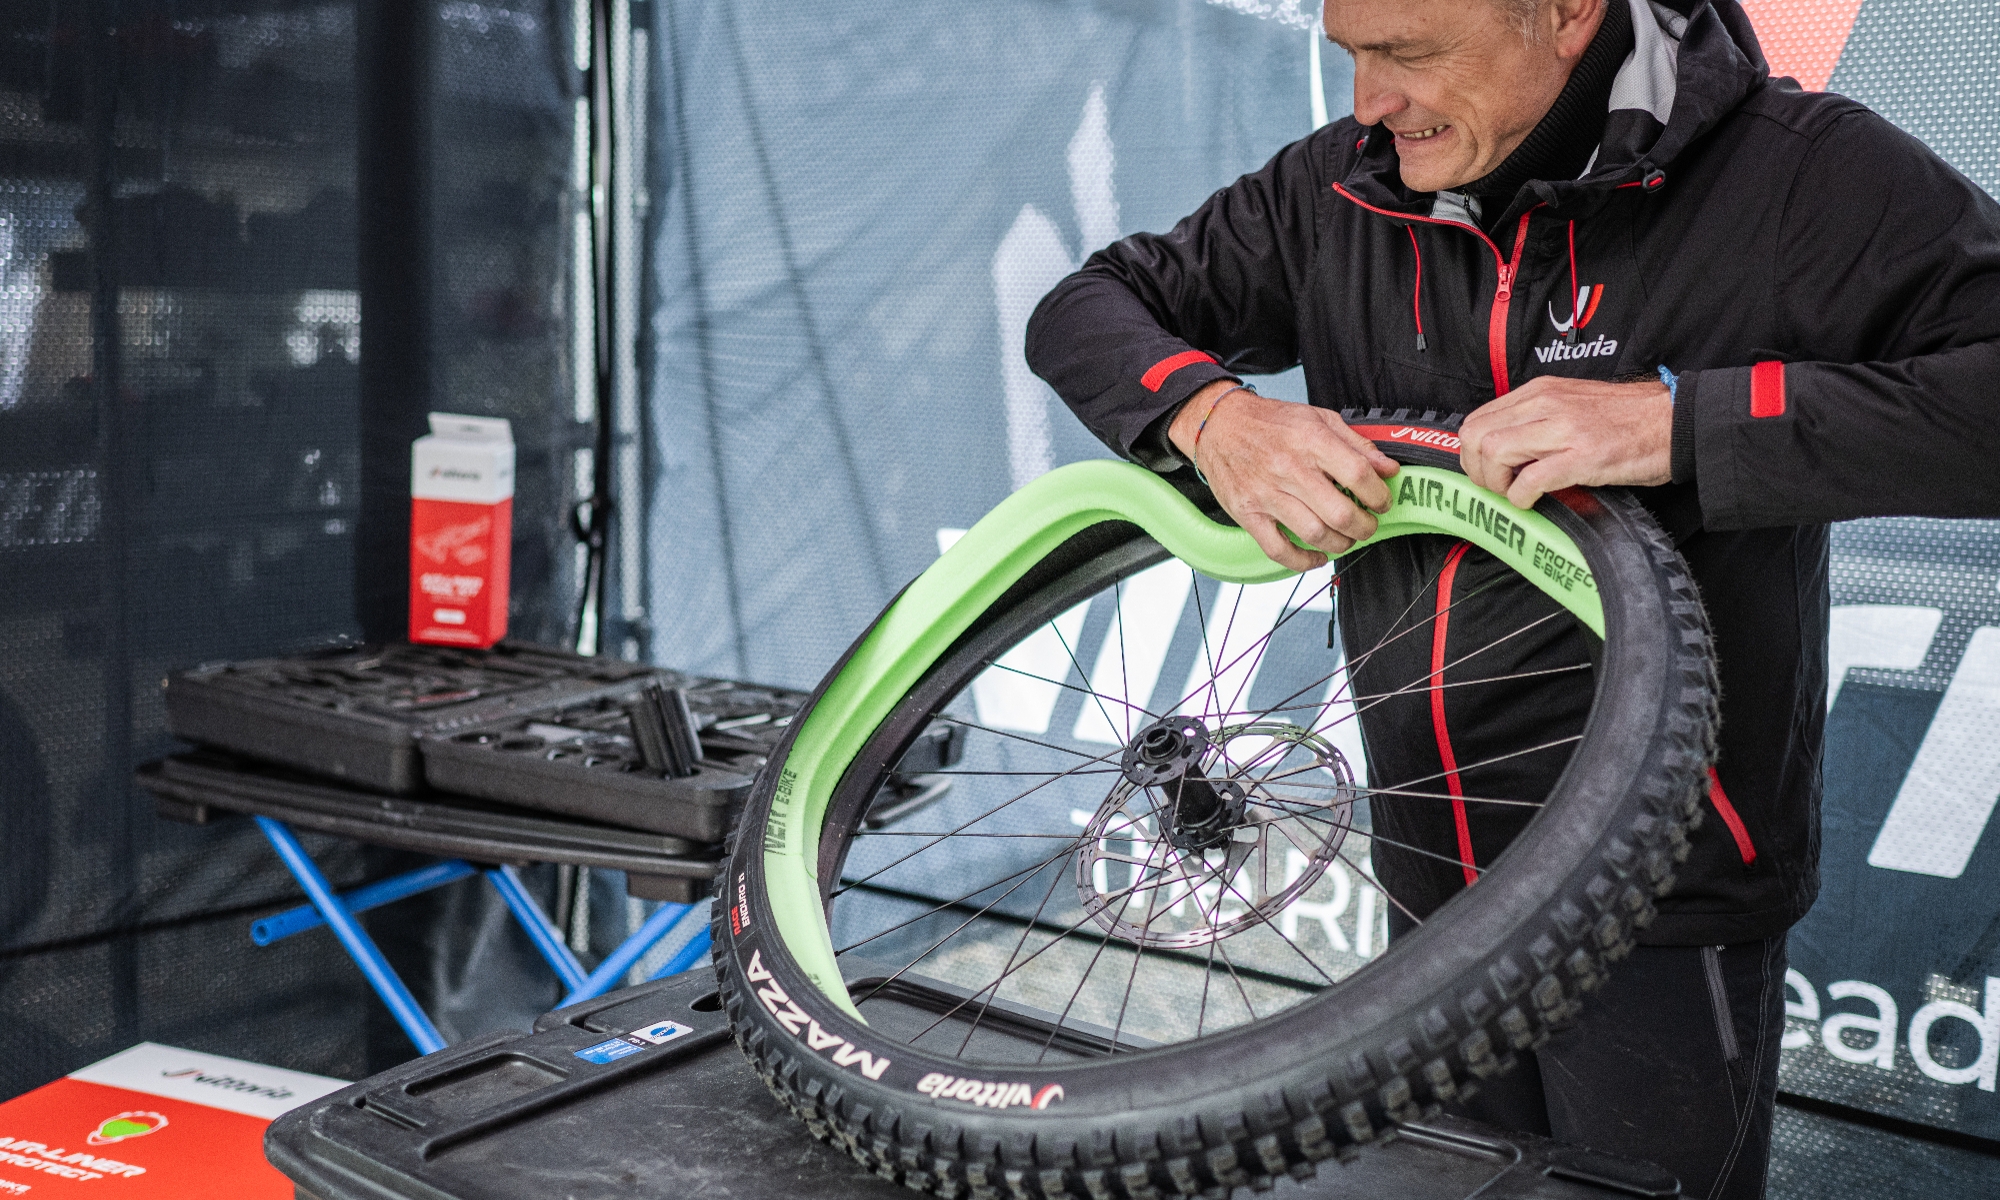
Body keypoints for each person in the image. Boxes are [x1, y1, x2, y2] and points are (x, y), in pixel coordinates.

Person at [1025, 0, 2000, 1196]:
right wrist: (1213, 416)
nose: (1367, 103)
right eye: (1352, 54)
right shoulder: (1340, 186)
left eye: (1408, 53)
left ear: (1561, 14)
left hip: (1660, 890)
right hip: (1425, 875)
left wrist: (1681, 422)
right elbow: (1086, 306)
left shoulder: (1796, 176)